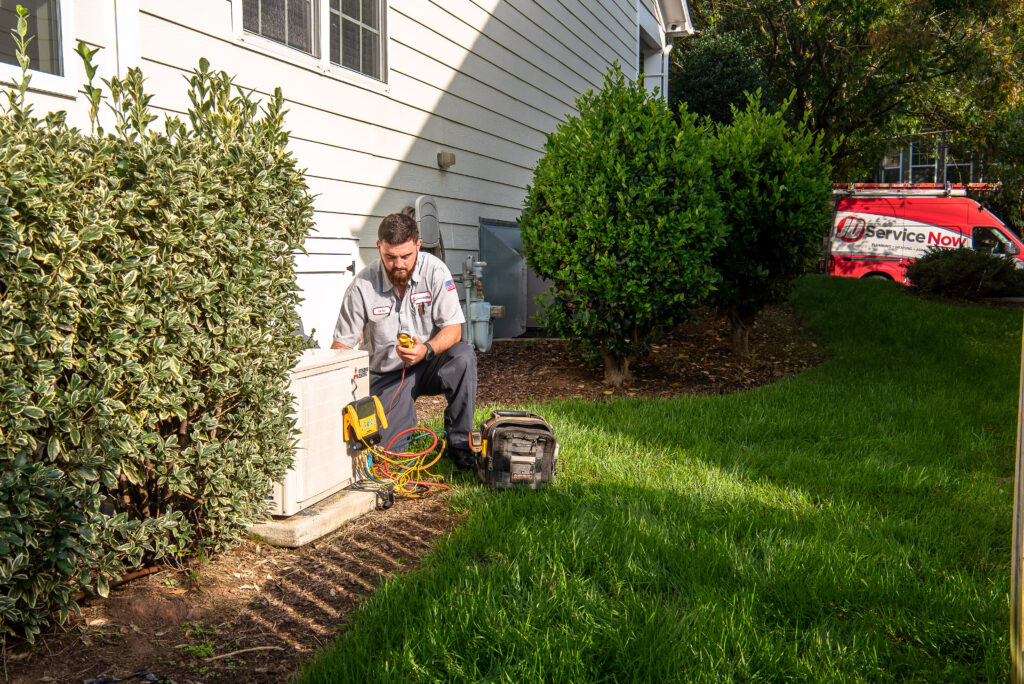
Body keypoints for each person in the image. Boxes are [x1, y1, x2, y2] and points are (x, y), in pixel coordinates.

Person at [331, 212, 478, 469]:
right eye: (390, 257)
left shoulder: (435, 271)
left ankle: (459, 444)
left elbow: (454, 329)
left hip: (428, 362)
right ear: (379, 247)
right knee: (389, 456)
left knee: (463, 356)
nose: (398, 264)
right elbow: (342, 347)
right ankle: (397, 437)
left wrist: (427, 349)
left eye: (406, 256)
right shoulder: (362, 287)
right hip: (387, 375)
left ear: (418, 246)